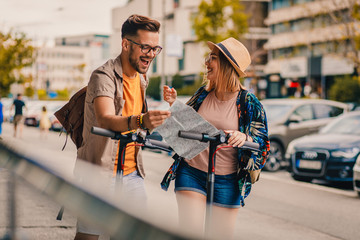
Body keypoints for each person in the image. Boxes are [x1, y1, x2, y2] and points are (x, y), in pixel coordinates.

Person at [73, 15, 171, 240]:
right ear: (125, 44)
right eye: (145, 47)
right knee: (89, 236)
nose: (151, 54)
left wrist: (152, 122)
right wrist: (141, 121)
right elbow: (106, 119)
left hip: (131, 173)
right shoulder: (103, 76)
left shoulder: (141, 78)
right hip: (99, 172)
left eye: (156, 48)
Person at [163, 37, 270, 239]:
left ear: (226, 65)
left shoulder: (248, 102)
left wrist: (244, 136)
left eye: (212, 58)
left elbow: (263, 145)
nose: (206, 62)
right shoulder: (203, 94)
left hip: (228, 181)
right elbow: (185, 125)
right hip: (191, 172)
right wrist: (173, 104)